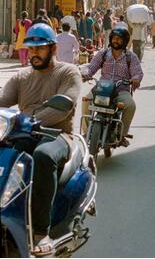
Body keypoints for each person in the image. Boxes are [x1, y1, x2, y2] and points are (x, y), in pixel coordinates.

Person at [0, 23, 81, 256]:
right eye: (31, 49)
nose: (34, 53)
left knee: (43, 156)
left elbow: (65, 105)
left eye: (40, 48)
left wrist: (31, 119)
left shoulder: (67, 72)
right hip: (23, 133)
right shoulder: (22, 75)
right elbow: (4, 100)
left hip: (56, 134)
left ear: (53, 49)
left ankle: (40, 232)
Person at [82, 27, 142, 145]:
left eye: (119, 39)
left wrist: (135, 79)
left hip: (121, 90)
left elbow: (137, 71)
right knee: (86, 100)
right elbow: (91, 66)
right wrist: (85, 74)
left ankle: (121, 134)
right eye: (114, 38)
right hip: (102, 88)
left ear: (124, 41)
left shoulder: (131, 56)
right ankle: (87, 131)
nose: (115, 40)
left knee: (131, 105)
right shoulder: (103, 54)